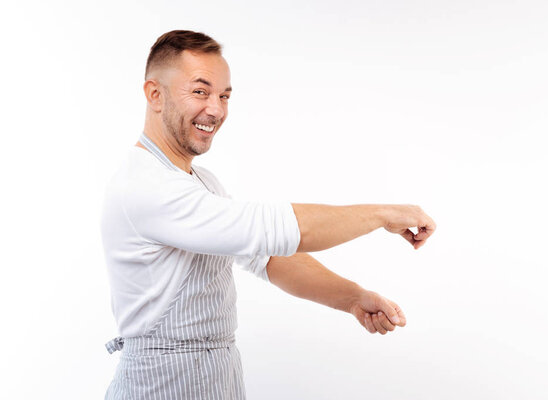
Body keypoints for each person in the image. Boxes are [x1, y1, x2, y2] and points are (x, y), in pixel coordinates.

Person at [101, 30, 436, 400]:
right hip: (160, 385)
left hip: (217, 375)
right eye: (200, 91)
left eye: (224, 95)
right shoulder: (144, 185)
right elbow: (268, 230)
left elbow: (268, 257)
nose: (216, 109)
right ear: (154, 94)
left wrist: (352, 298)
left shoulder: (201, 182)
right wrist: (381, 214)